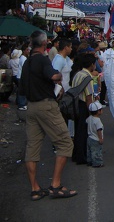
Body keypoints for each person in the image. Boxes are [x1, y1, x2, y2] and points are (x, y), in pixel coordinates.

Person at [19, 30, 77, 200]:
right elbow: (53, 75)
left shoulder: (27, 62)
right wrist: (58, 76)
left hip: (31, 107)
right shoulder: (42, 60)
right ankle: (56, 185)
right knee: (65, 143)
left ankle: (35, 188)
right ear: (45, 44)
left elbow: (21, 89)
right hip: (46, 105)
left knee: (32, 146)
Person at [71, 53, 97, 165]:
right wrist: (91, 112)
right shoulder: (88, 77)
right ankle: (82, 156)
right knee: (83, 132)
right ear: (92, 64)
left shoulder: (78, 74)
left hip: (75, 104)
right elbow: (88, 97)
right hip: (83, 105)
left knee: (78, 131)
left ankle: (76, 154)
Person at [86, 100, 104, 168]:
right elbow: (99, 130)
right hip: (96, 139)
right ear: (98, 111)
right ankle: (97, 163)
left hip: (89, 137)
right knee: (96, 151)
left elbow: (86, 122)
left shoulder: (89, 118)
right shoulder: (97, 120)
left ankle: (89, 161)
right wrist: (100, 138)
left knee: (89, 151)